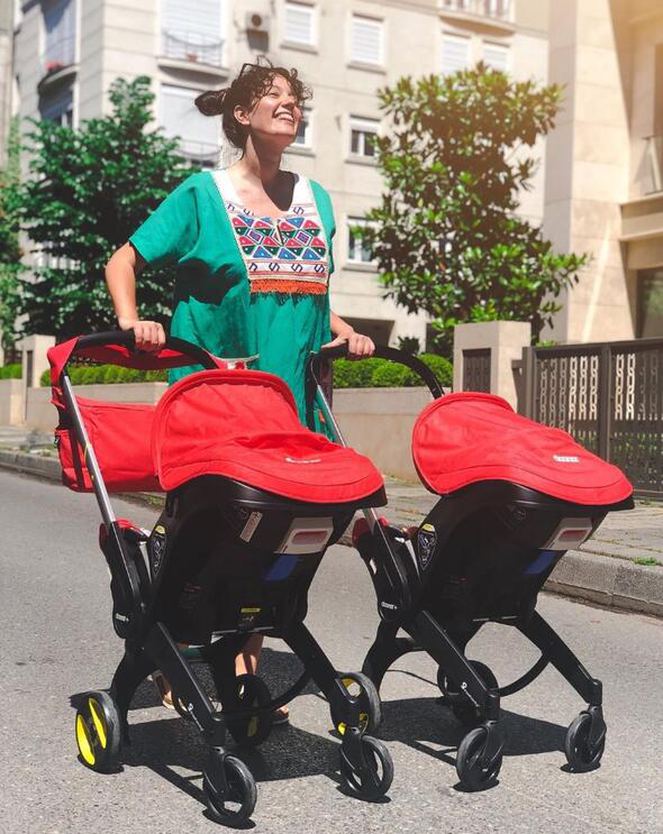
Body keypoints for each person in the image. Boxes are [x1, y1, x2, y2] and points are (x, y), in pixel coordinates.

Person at [104, 60, 375, 720]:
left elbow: (308, 296)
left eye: (294, 98)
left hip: (293, 407)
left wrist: (344, 331)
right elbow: (123, 261)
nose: (288, 105)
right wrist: (133, 323)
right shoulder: (203, 195)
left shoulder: (316, 201)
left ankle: (243, 671)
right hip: (217, 402)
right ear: (242, 115)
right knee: (208, 528)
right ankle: (174, 650)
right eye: (272, 96)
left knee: (274, 535)